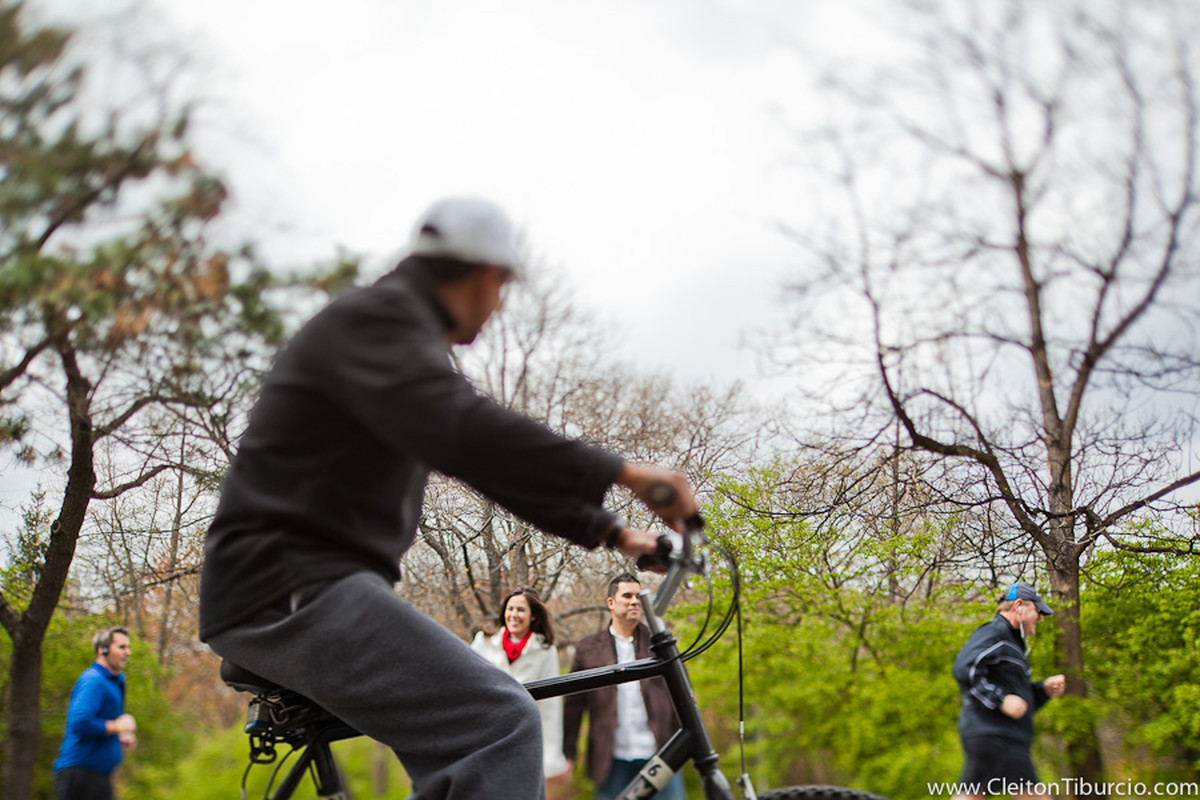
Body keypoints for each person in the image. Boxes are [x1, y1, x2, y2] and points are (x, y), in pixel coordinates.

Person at [198, 196, 698, 800]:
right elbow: (469, 431)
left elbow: (486, 462)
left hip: (303, 587)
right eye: (504, 287)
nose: (500, 304)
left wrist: (614, 532)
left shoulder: (400, 345)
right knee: (498, 724)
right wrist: (625, 471)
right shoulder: (378, 322)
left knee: (471, 743)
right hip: (287, 588)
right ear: (486, 275)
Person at [562, 573, 685, 800]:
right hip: (610, 759)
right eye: (627, 596)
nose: (634, 601)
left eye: (638, 596)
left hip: (660, 754)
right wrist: (567, 753)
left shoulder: (661, 644)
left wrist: (689, 744)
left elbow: (682, 694)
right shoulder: (588, 649)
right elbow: (573, 705)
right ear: (611, 603)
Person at [951, 581, 1067, 800]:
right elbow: (964, 669)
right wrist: (1001, 700)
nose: (1040, 618)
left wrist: (1043, 691)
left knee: (971, 795)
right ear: (1019, 606)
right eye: (1038, 611)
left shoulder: (1013, 645)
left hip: (999, 735)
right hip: (995, 735)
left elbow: (1019, 704)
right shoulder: (995, 633)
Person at [470, 587, 569, 786]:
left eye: (521, 610)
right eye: (510, 609)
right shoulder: (484, 643)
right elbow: (469, 691)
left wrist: (551, 759)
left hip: (524, 741)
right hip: (486, 741)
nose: (514, 615)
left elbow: (550, 707)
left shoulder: (544, 651)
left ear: (533, 616)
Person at [53, 627, 137, 800]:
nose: (128, 652)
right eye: (121, 647)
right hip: (79, 775)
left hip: (98, 776)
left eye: (128, 647)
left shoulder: (112, 682)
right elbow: (79, 722)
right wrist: (119, 726)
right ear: (103, 649)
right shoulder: (93, 679)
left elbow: (98, 725)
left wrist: (118, 737)